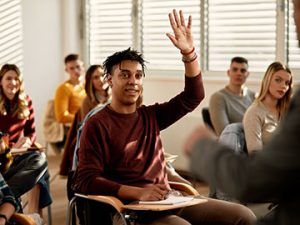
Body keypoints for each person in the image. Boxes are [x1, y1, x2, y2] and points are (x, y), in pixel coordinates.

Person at [73, 9, 256, 225]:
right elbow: (85, 180)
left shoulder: (151, 116)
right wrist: (138, 192)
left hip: (170, 202)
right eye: (124, 75)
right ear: (109, 80)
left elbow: (193, 96)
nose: (133, 81)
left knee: (245, 217)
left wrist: (189, 54)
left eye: (138, 75)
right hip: (130, 211)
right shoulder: (97, 123)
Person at [183, 2, 300, 224]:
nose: (293, 17)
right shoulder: (226, 100)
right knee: (232, 130)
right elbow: (224, 132)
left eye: (287, 82)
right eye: (278, 80)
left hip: (265, 169)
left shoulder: (259, 100)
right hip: (239, 148)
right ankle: (225, 202)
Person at [0, 64, 52, 224]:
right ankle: (33, 215)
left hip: (19, 155)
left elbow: (31, 132)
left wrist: (28, 141)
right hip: (3, 160)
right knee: (41, 173)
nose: (13, 82)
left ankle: (11, 202)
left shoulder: (26, 101)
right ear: (0, 81)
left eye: (16, 79)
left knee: (39, 160)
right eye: (9, 78)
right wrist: (10, 149)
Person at [59, 64, 111, 176]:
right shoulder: (87, 102)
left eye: (103, 75)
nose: (101, 80)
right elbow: (87, 130)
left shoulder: (114, 97)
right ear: (90, 81)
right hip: (92, 140)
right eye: (96, 77)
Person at [243, 62, 293, 153]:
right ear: (267, 80)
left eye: (287, 83)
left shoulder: (288, 111)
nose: (283, 86)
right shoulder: (254, 112)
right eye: (278, 80)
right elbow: (255, 155)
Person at [209, 56, 256, 136]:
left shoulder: (254, 96)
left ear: (247, 74)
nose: (239, 73)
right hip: (234, 145)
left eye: (243, 70)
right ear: (228, 72)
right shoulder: (218, 98)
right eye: (235, 69)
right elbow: (225, 133)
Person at [53, 53, 86, 152]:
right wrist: (84, 118)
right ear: (66, 70)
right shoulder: (64, 89)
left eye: (78, 67)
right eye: (72, 68)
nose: (76, 71)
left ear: (83, 67)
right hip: (74, 128)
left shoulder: (87, 87)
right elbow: (62, 116)